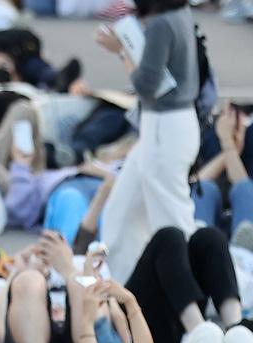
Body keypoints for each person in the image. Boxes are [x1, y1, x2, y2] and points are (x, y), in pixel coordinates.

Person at [94, 0, 200, 283]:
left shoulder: (161, 23)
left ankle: (201, 292)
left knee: (173, 223)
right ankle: (128, 290)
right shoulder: (178, 12)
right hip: (169, 126)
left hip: (164, 129)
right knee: (120, 215)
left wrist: (121, 49)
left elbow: (146, 85)